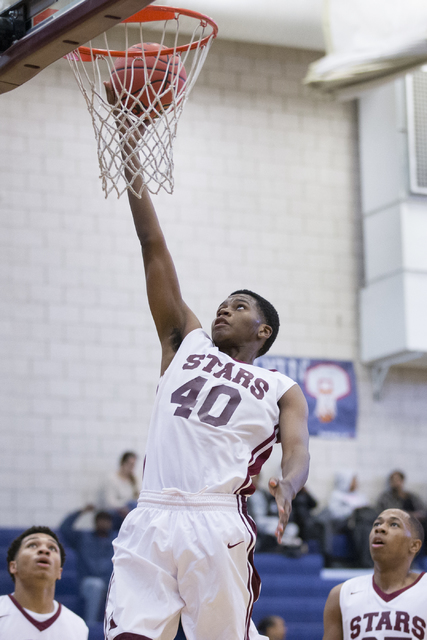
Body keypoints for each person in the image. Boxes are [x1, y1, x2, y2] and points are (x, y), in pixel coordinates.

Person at [102, 86, 310, 640]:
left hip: (215, 518)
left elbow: (297, 451)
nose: (224, 306)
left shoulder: (280, 385)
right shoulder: (185, 343)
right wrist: (128, 144)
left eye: (239, 306)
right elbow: (153, 245)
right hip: (149, 514)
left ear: (262, 331)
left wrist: (288, 486)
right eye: (223, 300)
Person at [322, 508, 426, 640]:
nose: (380, 529)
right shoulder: (341, 595)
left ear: (414, 545)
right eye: (376, 524)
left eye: (394, 524)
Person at [0, 526, 88, 638]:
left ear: (59, 572)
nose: (44, 550)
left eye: (52, 548)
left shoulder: (78, 626)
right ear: (13, 566)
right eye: (32, 545)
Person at [59, 505, 115, 624]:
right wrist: (81, 511)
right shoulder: (83, 538)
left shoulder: (117, 540)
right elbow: (64, 529)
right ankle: (90, 626)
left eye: (107, 521)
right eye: (101, 521)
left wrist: (126, 514)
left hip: (110, 583)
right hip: (88, 582)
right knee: (96, 585)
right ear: (95, 523)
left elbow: (137, 534)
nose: (104, 524)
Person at [99, 451, 140, 529]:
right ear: (123, 463)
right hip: (115, 513)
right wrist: (124, 507)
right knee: (131, 505)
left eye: (133, 465)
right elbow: (110, 502)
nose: (132, 468)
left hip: (129, 511)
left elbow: (136, 498)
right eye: (130, 464)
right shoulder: (112, 479)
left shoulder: (133, 481)